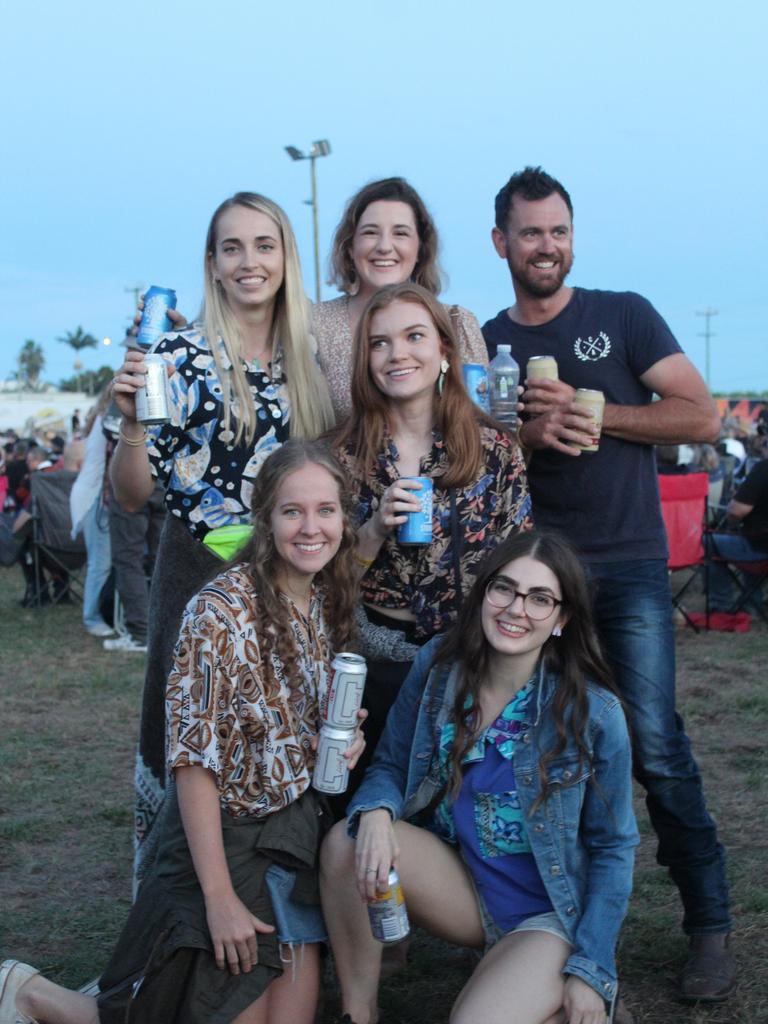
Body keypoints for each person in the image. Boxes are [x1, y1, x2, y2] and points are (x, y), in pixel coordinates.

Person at [0, 441, 365, 1024]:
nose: (310, 527)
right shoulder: (219, 610)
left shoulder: (321, 603)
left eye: (326, 510)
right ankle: (29, 993)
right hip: (219, 841)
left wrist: (340, 741)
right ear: (266, 518)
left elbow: (286, 726)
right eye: (293, 511)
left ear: (345, 520)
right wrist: (218, 899)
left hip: (290, 838)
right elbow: (194, 762)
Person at [482, 166, 733, 1003]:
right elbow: (468, 453)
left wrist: (601, 414)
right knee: (547, 757)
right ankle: (553, 933)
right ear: (502, 243)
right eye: (530, 233)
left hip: (626, 568)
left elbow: (702, 414)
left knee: (656, 747)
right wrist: (522, 432)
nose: (545, 246)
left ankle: (709, 925)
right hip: (534, 580)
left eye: (558, 230)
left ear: (571, 236)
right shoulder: (486, 340)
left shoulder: (622, 314)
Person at [321, 531, 637, 1024]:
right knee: (348, 839)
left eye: (540, 599)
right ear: (483, 593)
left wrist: (590, 967)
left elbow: (615, 847)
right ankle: (359, 1014)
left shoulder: (593, 713)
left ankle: (560, 993)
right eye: (504, 589)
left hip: (548, 912)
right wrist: (379, 811)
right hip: (465, 888)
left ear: (562, 618)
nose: (516, 609)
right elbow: (388, 765)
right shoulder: (440, 667)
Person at [110, 192, 335, 882]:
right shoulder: (174, 357)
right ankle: (171, 922)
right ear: (211, 264)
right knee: (193, 748)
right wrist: (131, 425)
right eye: (231, 247)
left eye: (264, 245)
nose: (249, 262)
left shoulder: (310, 361)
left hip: (292, 582)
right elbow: (130, 494)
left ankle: (272, 915)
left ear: (286, 257)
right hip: (198, 573)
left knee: (279, 743)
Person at [331, 281, 531, 795]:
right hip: (380, 669)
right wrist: (373, 530)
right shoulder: (341, 456)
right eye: (379, 342)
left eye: (414, 336)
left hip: (473, 664)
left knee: (462, 815)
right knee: (376, 812)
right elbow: (325, 585)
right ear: (365, 358)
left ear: (443, 349)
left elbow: (522, 562)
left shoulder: (495, 449)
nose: (397, 353)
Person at [313, 177, 488, 421]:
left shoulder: (457, 323)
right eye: (371, 232)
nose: (385, 246)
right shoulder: (315, 325)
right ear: (350, 246)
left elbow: (482, 426)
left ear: (421, 249)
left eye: (400, 233)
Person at [706, 455, 768, 613]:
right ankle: (752, 601)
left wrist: (730, 521)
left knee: (707, 542)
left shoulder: (763, 468)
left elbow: (737, 510)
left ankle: (721, 604)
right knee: (748, 538)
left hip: (759, 547)